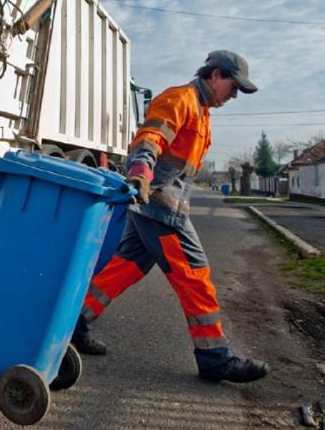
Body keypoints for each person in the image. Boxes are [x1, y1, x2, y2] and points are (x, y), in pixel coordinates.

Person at [71, 50, 269, 383]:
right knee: (196, 277)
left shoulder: (202, 112)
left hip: (156, 206)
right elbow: (149, 139)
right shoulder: (180, 99)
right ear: (216, 75)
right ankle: (214, 357)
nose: (234, 95)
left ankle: (75, 323)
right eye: (233, 87)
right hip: (161, 207)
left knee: (124, 269)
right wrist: (140, 171)